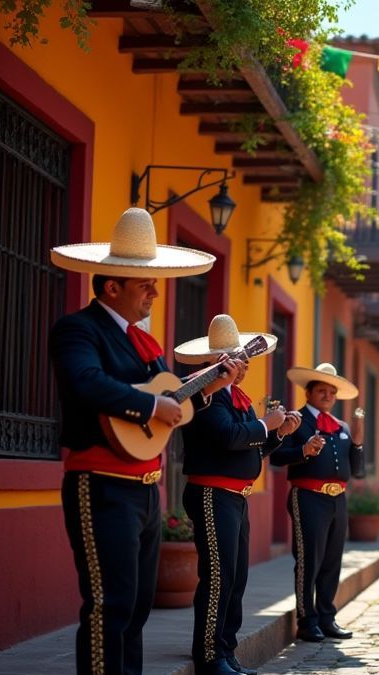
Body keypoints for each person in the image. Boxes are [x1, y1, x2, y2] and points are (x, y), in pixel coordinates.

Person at [49, 207, 237, 674]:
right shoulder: (79, 329)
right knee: (108, 607)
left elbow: (173, 396)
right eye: (145, 283)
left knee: (135, 609)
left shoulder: (144, 343)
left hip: (145, 489)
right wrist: (152, 407)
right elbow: (84, 382)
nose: (156, 290)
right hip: (101, 483)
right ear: (112, 286)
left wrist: (209, 385)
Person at [176, 315, 299, 675]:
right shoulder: (207, 395)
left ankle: (226, 650)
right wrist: (265, 424)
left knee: (237, 577)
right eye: (235, 360)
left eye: (243, 360)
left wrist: (278, 434)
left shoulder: (237, 397)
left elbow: (249, 450)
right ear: (216, 362)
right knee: (219, 575)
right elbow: (229, 436)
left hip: (234, 496)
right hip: (212, 493)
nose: (243, 367)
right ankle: (210, 655)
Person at [270, 363, 364, 644]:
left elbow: (356, 470)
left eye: (332, 392)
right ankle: (306, 620)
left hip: (338, 498)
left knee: (332, 561)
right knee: (309, 560)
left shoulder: (342, 426)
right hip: (308, 496)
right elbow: (275, 457)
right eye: (321, 390)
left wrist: (357, 443)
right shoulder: (295, 419)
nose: (327, 395)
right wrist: (303, 450)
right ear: (308, 392)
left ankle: (326, 616)